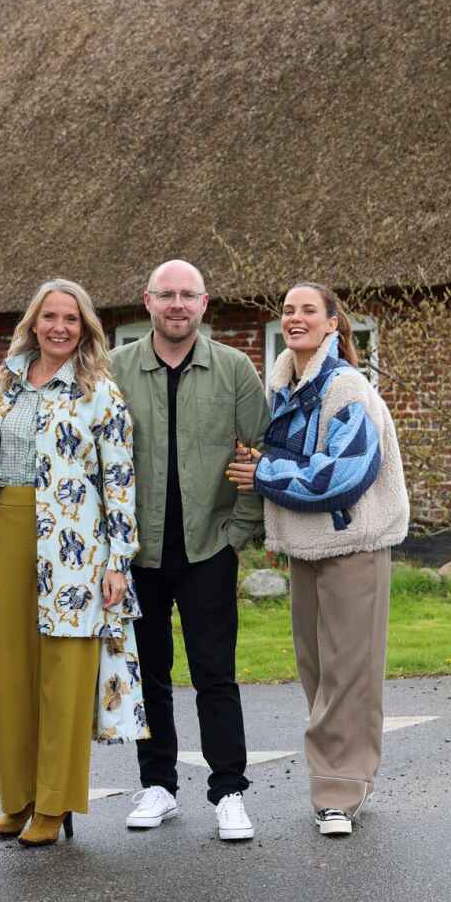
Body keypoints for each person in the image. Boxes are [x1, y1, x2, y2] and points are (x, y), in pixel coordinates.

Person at [226, 283, 408, 837]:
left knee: (350, 675)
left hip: (352, 546)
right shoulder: (285, 387)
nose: (296, 317)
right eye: (288, 310)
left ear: (333, 324)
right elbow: (298, 456)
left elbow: (344, 476)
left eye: (309, 310)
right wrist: (266, 460)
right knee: (318, 672)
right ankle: (342, 778)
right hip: (306, 548)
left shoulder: (346, 387)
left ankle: (339, 792)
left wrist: (262, 474)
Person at [0, 278, 147, 847]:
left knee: (66, 670)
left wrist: (117, 560)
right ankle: (19, 797)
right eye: (49, 316)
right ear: (32, 322)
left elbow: (120, 479)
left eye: (71, 320)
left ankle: (54, 805)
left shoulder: (98, 390)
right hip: (6, 523)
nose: (58, 327)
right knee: (11, 669)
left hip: (77, 542)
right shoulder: (3, 383)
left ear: (85, 330)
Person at [110, 260, 268, 841]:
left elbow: (260, 453)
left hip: (208, 547)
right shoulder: (116, 370)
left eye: (188, 296)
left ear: (204, 304)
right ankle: (158, 786)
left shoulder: (233, 370)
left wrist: (237, 532)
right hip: (138, 553)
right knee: (149, 673)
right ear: (147, 301)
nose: (177, 305)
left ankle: (229, 789)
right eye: (166, 295)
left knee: (214, 674)